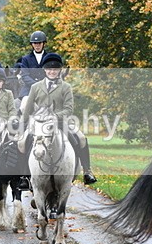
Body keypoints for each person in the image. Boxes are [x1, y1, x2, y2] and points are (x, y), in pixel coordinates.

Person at [21, 53, 97, 185]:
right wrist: (23, 125)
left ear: (59, 70)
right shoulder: (35, 87)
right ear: (45, 70)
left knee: (81, 138)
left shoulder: (66, 87)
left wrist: (55, 116)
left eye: (55, 69)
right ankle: (24, 176)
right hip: (39, 124)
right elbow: (28, 109)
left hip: (61, 122)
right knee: (22, 142)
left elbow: (69, 109)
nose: (52, 72)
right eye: (49, 69)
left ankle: (87, 171)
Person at [18, 30, 50, 112]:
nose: (37, 45)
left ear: (44, 44)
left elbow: (51, 74)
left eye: (39, 43)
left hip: (46, 88)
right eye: (35, 43)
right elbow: (25, 76)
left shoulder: (49, 57)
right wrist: (37, 85)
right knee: (24, 107)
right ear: (32, 44)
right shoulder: (26, 59)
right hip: (29, 89)